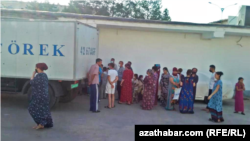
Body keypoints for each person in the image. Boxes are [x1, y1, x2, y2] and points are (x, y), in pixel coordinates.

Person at [28, 63, 53, 130]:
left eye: (36, 67)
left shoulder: (39, 76)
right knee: (43, 110)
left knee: (31, 109)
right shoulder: (44, 75)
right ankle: (42, 124)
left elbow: (32, 83)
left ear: (38, 68)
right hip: (44, 96)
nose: (35, 68)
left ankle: (41, 123)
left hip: (39, 96)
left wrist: (33, 75)